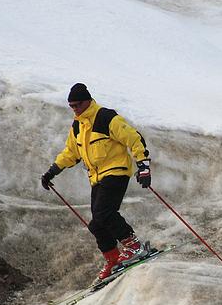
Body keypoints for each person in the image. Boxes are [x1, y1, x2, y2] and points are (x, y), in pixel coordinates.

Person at [41, 83, 152, 280]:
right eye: (71, 106)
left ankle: (134, 246)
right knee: (97, 224)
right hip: (97, 178)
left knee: (104, 212)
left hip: (117, 171)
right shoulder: (78, 126)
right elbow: (71, 153)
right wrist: (52, 172)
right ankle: (114, 259)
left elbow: (133, 138)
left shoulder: (105, 117)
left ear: (87, 101)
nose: (74, 109)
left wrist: (143, 165)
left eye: (77, 105)